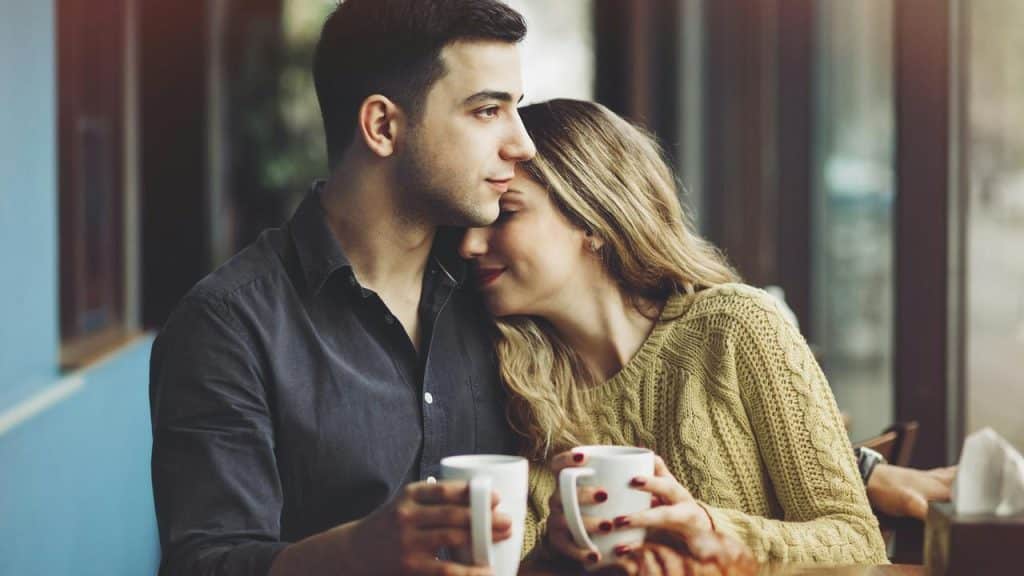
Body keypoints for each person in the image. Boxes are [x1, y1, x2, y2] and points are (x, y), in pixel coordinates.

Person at [148, 1, 536, 575]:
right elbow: (205, 564)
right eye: (487, 111)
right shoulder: (226, 325)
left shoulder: (503, 287)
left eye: (515, 110)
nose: (521, 144)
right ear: (382, 126)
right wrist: (353, 554)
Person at [458, 99, 891, 566]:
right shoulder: (510, 382)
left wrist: (708, 529)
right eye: (470, 224)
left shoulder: (737, 328)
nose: (470, 244)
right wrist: (552, 556)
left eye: (505, 215)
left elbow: (858, 542)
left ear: (592, 218)